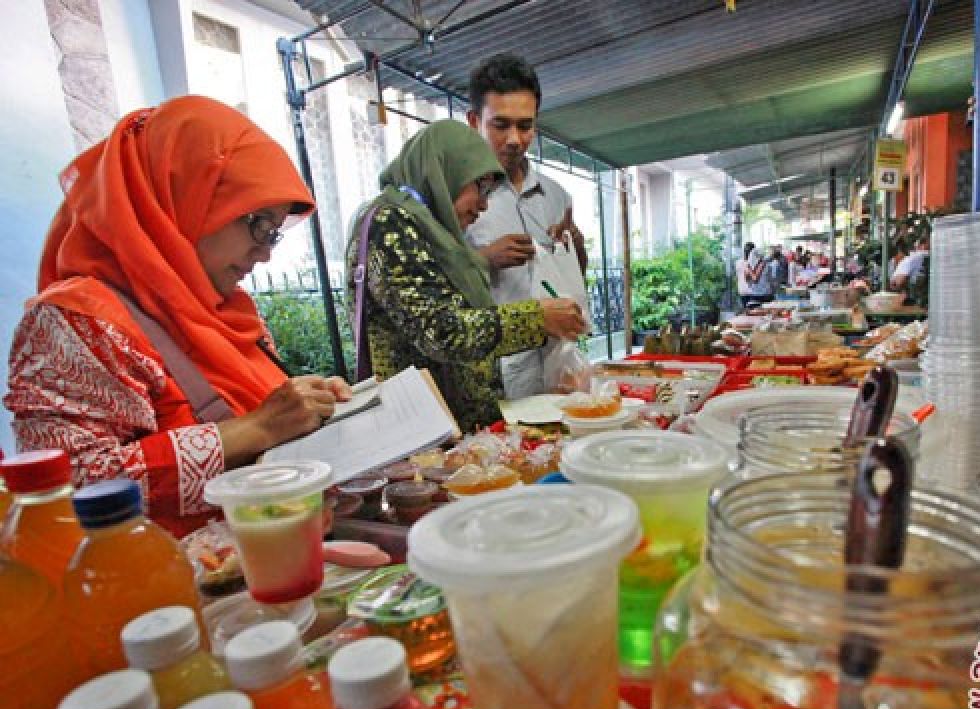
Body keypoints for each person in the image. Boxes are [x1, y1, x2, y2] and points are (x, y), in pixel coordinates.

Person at [5, 96, 352, 537]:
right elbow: (72, 488)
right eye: (257, 223)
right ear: (183, 194)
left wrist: (311, 408)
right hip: (167, 592)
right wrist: (256, 429)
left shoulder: (227, 311)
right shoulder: (75, 323)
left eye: (275, 233)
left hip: (270, 556)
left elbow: (260, 417)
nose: (265, 252)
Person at [345, 119, 586, 432]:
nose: (483, 205)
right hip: (421, 434)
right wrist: (537, 318)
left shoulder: (433, 232)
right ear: (445, 172)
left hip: (451, 426)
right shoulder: (390, 224)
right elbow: (442, 331)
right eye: (480, 187)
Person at [464, 53, 587, 399]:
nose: (515, 139)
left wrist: (574, 246)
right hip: (492, 372)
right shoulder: (457, 200)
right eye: (500, 125)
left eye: (525, 125)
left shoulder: (556, 195)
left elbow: (575, 273)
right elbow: (438, 291)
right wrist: (485, 258)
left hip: (556, 363)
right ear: (474, 121)